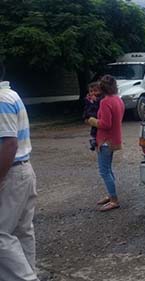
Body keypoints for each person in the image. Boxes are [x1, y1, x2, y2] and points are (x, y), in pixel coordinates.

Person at [0, 62, 39, 280]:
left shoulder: (1, 99)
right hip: (21, 170)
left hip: (10, 173)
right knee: (22, 230)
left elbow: (9, 144)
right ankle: (30, 273)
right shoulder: (11, 94)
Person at [86, 75, 125, 212]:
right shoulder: (118, 100)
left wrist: (92, 121)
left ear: (102, 88)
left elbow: (106, 124)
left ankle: (114, 200)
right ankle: (111, 194)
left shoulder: (105, 102)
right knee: (108, 169)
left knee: (104, 171)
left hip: (105, 141)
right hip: (114, 139)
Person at [83, 82, 103, 151]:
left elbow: (99, 107)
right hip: (90, 116)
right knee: (93, 130)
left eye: (95, 91)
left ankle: (95, 141)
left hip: (97, 116)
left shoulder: (100, 99)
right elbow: (86, 108)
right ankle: (93, 140)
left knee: (97, 129)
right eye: (91, 91)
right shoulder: (87, 99)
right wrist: (85, 117)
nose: (93, 93)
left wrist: (96, 101)